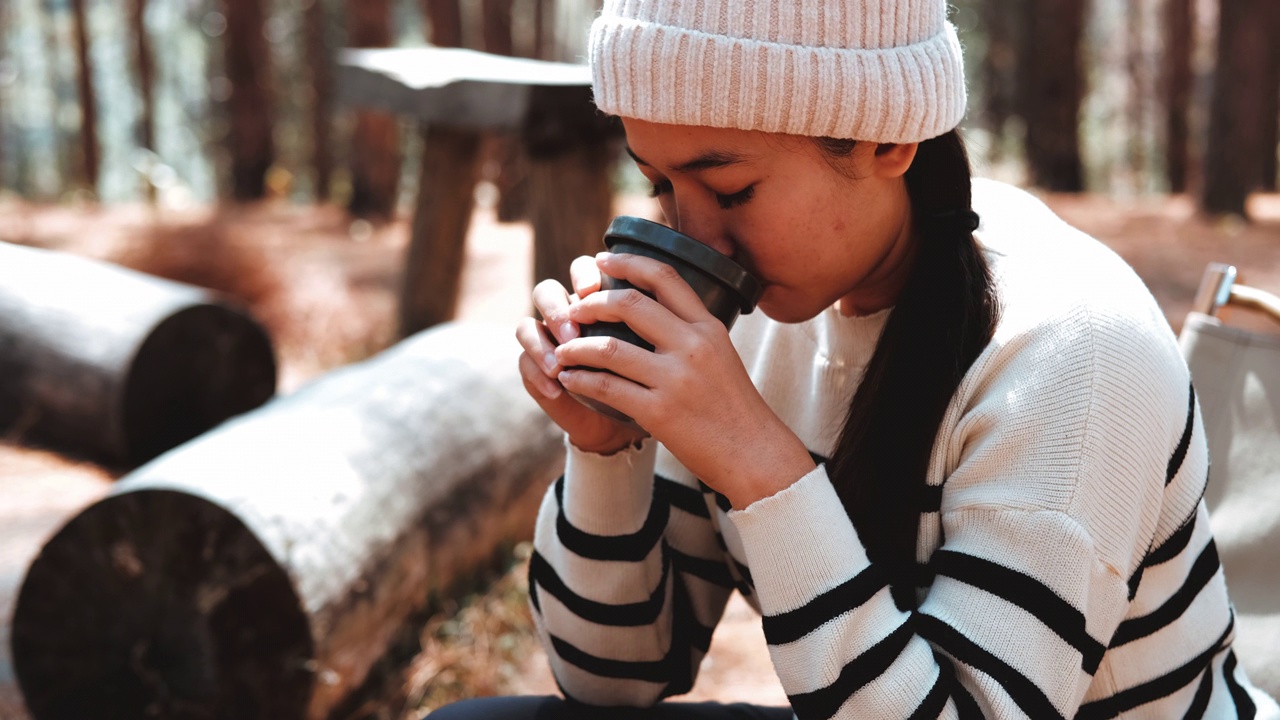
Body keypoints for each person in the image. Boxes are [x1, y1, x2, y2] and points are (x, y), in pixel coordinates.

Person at [433, 0, 1280, 717]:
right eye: (658, 184)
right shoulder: (761, 309)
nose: (689, 239)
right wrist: (606, 446)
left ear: (887, 143)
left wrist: (761, 464)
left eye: (730, 190)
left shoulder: (1073, 346)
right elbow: (612, 679)